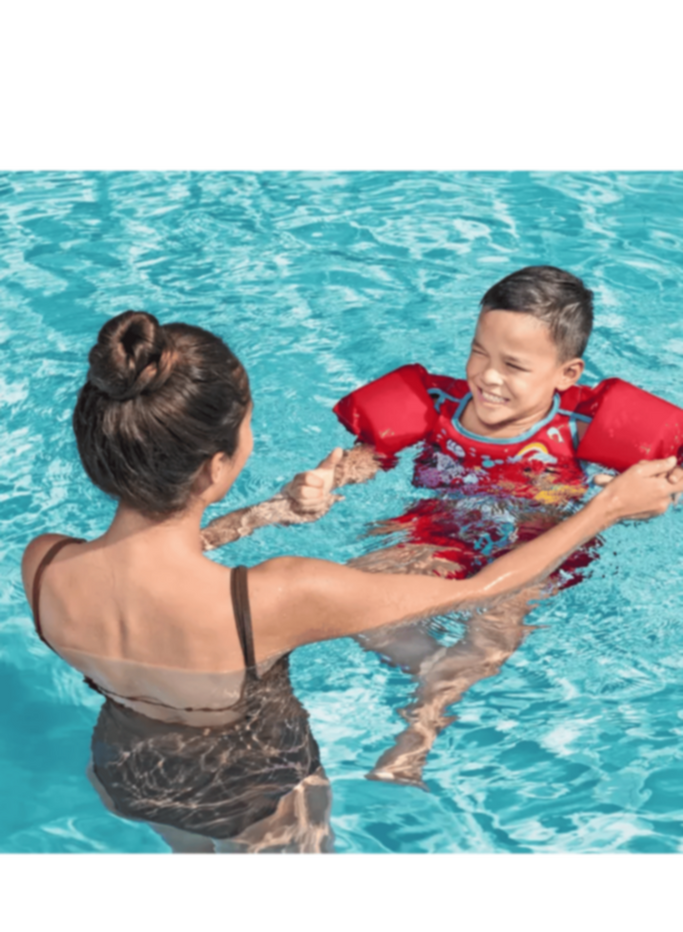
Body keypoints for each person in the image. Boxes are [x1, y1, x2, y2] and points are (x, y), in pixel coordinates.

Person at [21, 310, 683, 851]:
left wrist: (261, 515)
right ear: (216, 467)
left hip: (128, 774)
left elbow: (150, 563)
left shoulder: (45, 563)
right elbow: (480, 588)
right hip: (256, 792)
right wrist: (606, 508)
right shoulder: (278, 596)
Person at [275, 265, 683, 786]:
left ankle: (418, 733)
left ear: (567, 374)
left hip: (541, 540)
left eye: (514, 365)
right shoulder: (437, 407)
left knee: (492, 632)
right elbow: (362, 459)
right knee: (357, 598)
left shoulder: (581, 428)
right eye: (479, 352)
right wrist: (325, 480)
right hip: (440, 527)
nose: (489, 377)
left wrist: (667, 486)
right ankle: (438, 667)